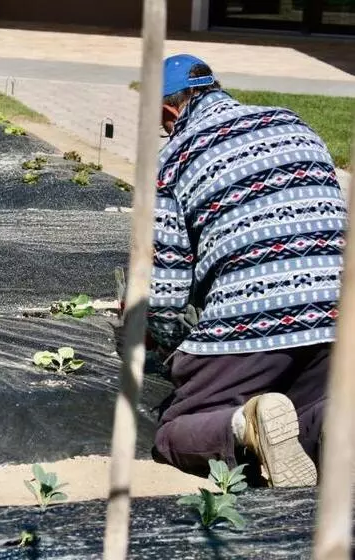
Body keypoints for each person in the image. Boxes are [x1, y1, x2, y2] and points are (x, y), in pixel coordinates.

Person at [147, 54, 347, 487]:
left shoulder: (175, 157)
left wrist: (168, 349)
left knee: (173, 431)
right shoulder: (293, 123)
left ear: (169, 110)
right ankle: (334, 420)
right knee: (303, 408)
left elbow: (165, 293)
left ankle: (245, 425)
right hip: (338, 313)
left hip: (255, 314)